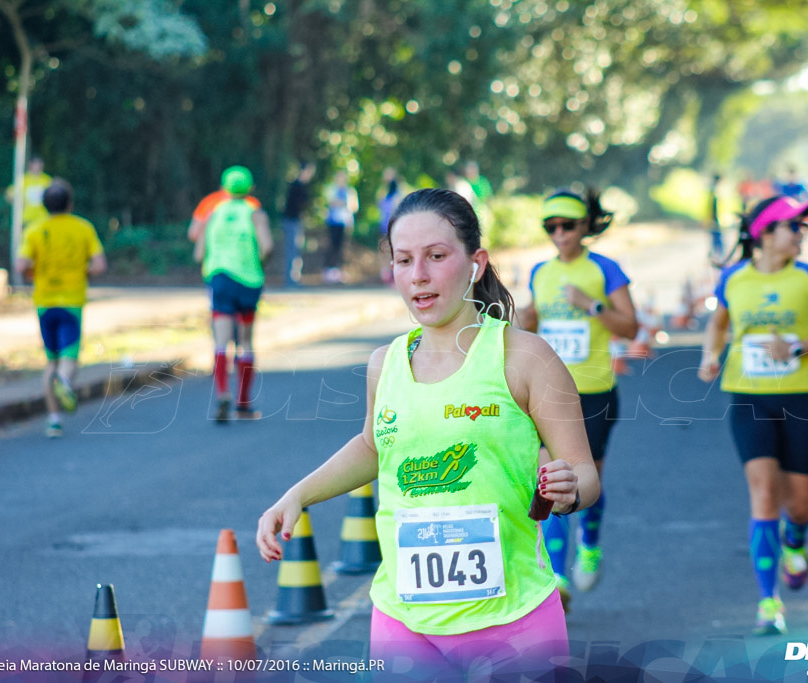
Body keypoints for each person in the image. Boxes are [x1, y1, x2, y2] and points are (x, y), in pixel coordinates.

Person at [256, 188, 599, 679]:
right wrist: (297, 495)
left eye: (436, 256)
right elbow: (373, 446)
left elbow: (585, 473)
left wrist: (568, 490)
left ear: (475, 263)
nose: (418, 275)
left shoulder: (525, 358)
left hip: (514, 619)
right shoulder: (385, 363)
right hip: (404, 620)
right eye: (403, 260)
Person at [698, 195, 808, 636]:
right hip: (748, 398)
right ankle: (769, 602)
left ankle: (796, 541)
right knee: (763, 492)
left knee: (797, 506)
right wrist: (711, 355)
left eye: (802, 228)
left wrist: (798, 347)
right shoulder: (733, 279)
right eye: (793, 227)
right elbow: (719, 322)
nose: (801, 234)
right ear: (766, 234)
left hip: (802, 399)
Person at [516, 188, 638, 608]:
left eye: (567, 226)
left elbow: (629, 327)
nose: (559, 234)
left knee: (588, 480)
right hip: (549, 393)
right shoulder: (540, 271)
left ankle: (590, 542)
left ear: (586, 226)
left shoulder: (605, 269)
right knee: (551, 481)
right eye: (551, 227)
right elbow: (530, 322)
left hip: (595, 393)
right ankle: (558, 577)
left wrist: (592, 305)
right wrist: (524, 319)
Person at [14, 180, 107, 438]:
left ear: (44, 205)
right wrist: (81, 270)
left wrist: (37, 272)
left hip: (44, 302)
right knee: (69, 358)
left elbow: (21, 266)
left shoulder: (34, 230)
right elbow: (99, 265)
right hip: (71, 301)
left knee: (50, 361)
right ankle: (65, 383)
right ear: (70, 203)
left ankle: (54, 419)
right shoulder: (83, 228)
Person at [194, 166, 273, 423]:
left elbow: (198, 253)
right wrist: (258, 262)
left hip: (220, 279)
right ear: (249, 188)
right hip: (249, 281)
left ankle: (222, 392)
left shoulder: (213, 212)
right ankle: (243, 402)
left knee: (221, 340)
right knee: (246, 341)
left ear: (224, 187)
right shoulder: (255, 213)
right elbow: (267, 246)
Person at [281, 162, 316, 288]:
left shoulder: (301, 185)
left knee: (296, 249)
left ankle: (294, 278)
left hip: (295, 221)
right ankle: (290, 280)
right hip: (291, 221)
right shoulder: (296, 185)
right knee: (292, 249)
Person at [322, 170, 358, 284]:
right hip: (333, 222)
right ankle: (329, 270)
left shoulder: (350, 191)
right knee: (332, 245)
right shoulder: (331, 189)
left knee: (342, 247)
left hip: (344, 222)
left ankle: (340, 270)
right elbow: (330, 203)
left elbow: (353, 206)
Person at [7, 156, 53, 227]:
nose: (37, 167)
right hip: (27, 218)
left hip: (43, 218)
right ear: (30, 165)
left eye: (39, 165)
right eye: (35, 165)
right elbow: (10, 195)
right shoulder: (23, 180)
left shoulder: (47, 180)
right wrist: (15, 200)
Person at [376, 167, 402, 284]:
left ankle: (395, 276)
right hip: (384, 225)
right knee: (384, 250)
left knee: (394, 250)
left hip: (394, 226)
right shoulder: (383, 191)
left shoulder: (397, 192)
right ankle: (385, 274)